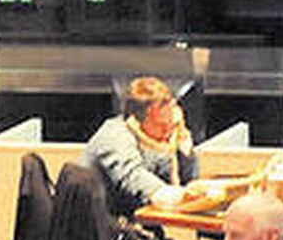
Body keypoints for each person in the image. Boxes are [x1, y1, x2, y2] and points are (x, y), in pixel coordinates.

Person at [80, 76, 203, 218]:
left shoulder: (153, 141)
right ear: (136, 122)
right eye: (162, 126)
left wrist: (185, 154)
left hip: (132, 223)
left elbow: (185, 182)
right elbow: (132, 176)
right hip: (102, 226)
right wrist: (178, 196)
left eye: (171, 124)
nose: (168, 132)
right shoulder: (114, 136)